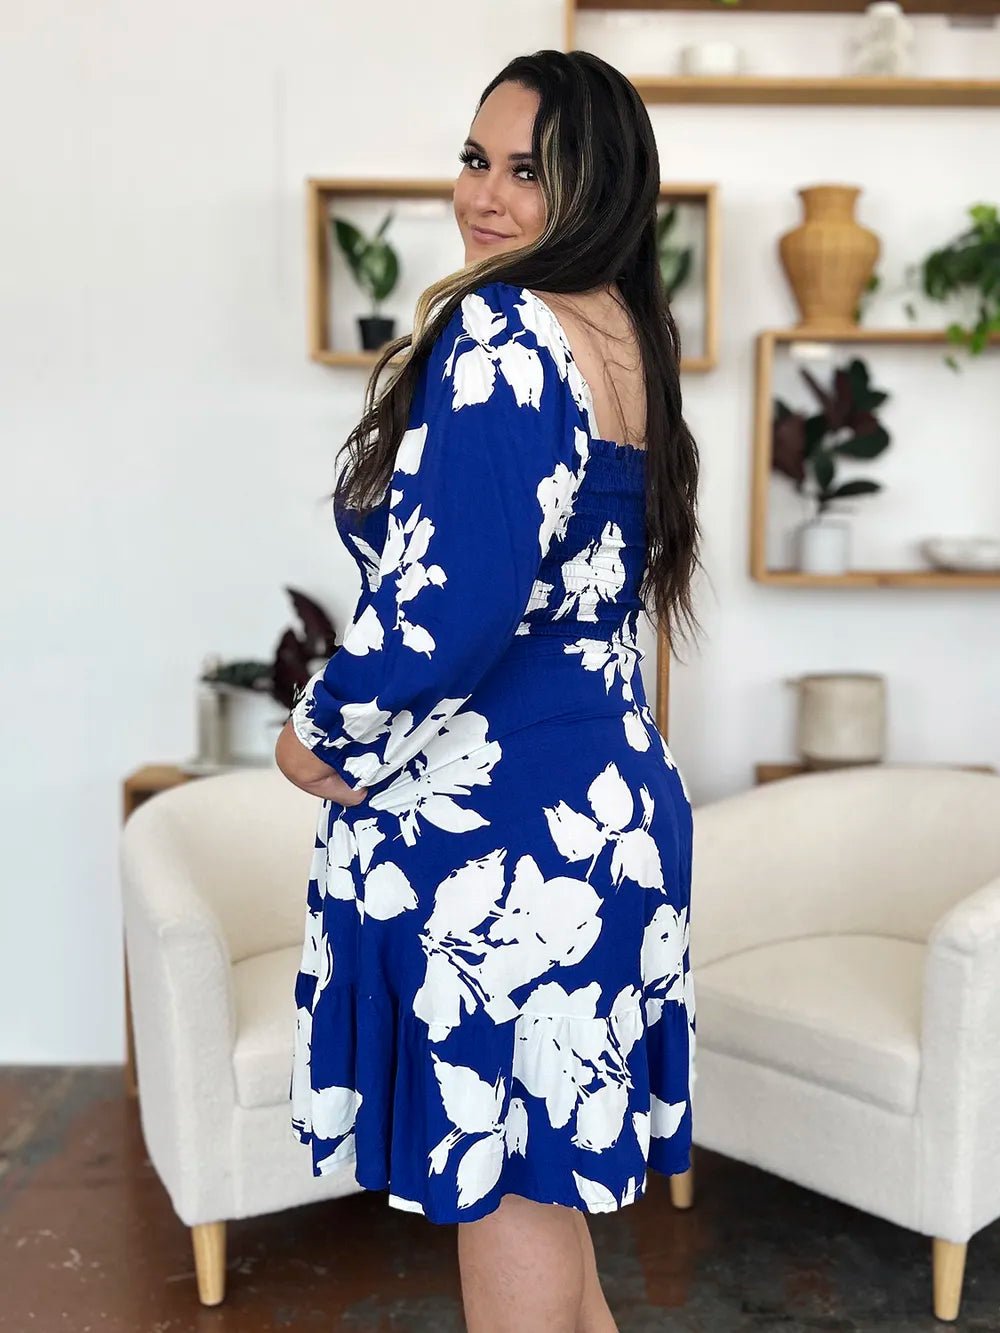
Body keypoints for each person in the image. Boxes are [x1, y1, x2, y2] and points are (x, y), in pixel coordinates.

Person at [274, 47, 704, 1333]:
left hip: (500, 837)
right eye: (476, 158)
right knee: (545, 1200)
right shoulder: (621, 328)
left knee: (508, 1193)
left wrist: (320, 728)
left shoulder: (506, 327)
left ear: (597, 186)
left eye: (531, 169)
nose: (488, 195)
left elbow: (453, 603)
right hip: (608, 814)